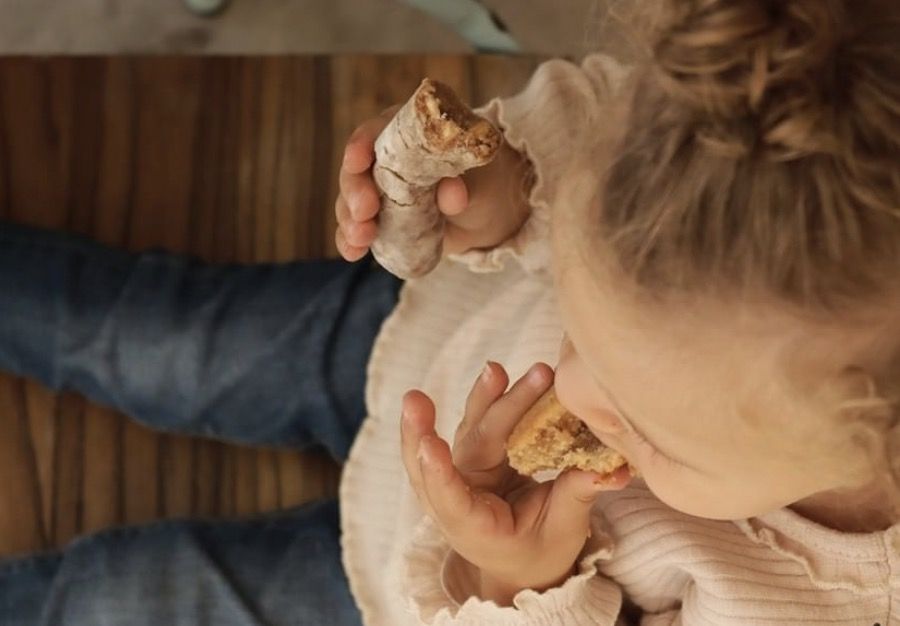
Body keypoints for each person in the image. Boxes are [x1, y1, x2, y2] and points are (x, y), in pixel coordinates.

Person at [2, 0, 899, 623]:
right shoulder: (761, 131)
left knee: (114, 601)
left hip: (417, 593)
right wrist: (503, 186)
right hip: (417, 347)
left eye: (656, 434)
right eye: (584, 330)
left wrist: (509, 579)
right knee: (160, 338)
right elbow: (598, 125)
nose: (570, 388)